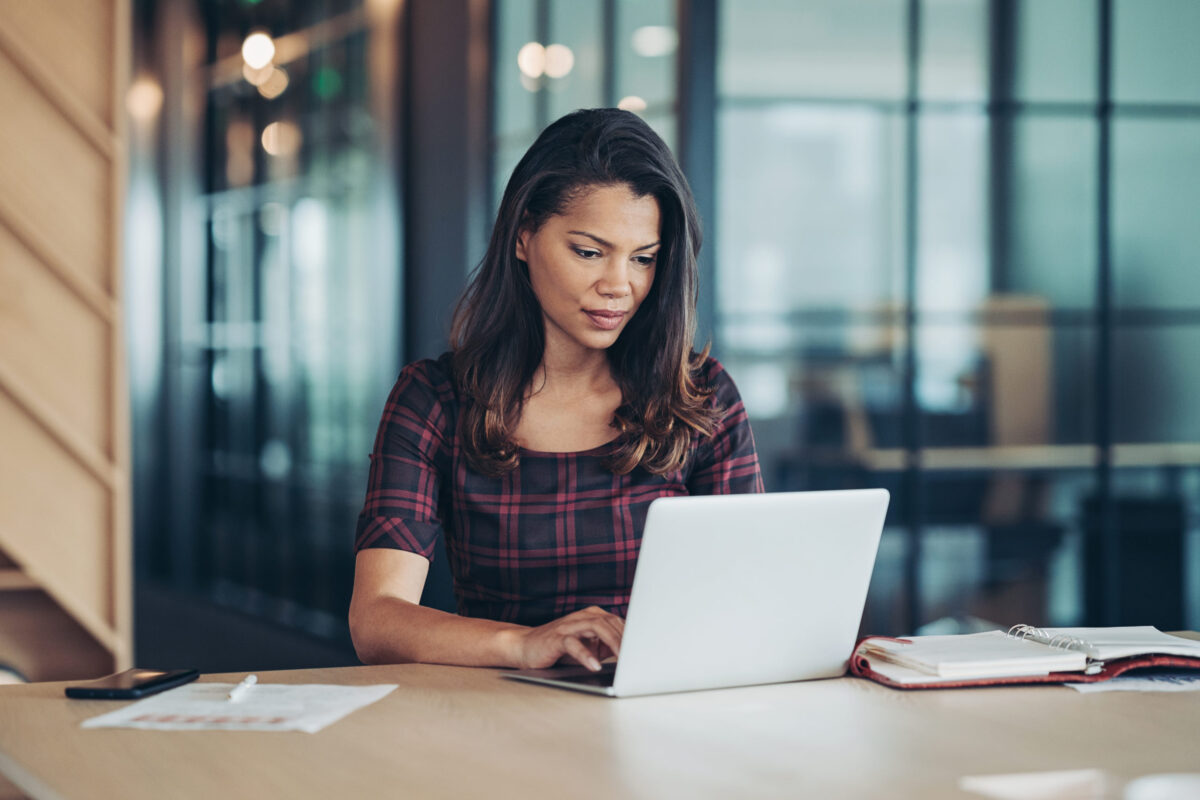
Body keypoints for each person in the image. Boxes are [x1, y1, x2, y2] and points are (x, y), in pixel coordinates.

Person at [349, 108, 763, 673]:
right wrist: (523, 645)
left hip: (664, 718)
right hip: (502, 715)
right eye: (589, 252)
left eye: (643, 259)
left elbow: (753, 599)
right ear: (524, 236)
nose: (618, 285)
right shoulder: (435, 399)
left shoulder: (701, 396)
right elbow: (376, 620)